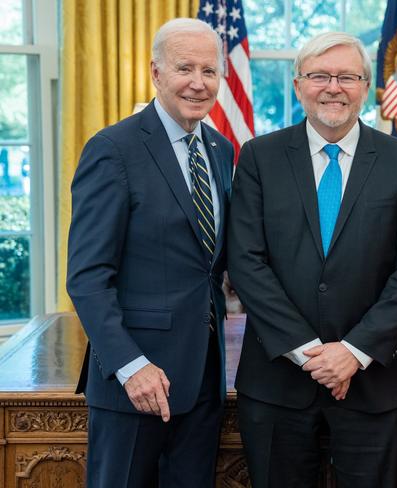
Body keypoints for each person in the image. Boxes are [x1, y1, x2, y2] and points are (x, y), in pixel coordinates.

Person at [227, 31, 397, 488]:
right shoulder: (259, 157)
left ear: (365, 87)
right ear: (299, 84)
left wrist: (353, 353)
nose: (333, 87)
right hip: (277, 382)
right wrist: (311, 355)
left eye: (347, 76)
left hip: (372, 385)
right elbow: (245, 261)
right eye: (320, 75)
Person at [66, 18, 233, 488]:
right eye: (185, 68)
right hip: (134, 383)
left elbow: (212, 264)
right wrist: (131, 366)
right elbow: (87, 276)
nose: (198, 83)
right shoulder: (113, 149)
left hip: (203, 379)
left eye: (209, 70)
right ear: (156, 73)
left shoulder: (219, 149)